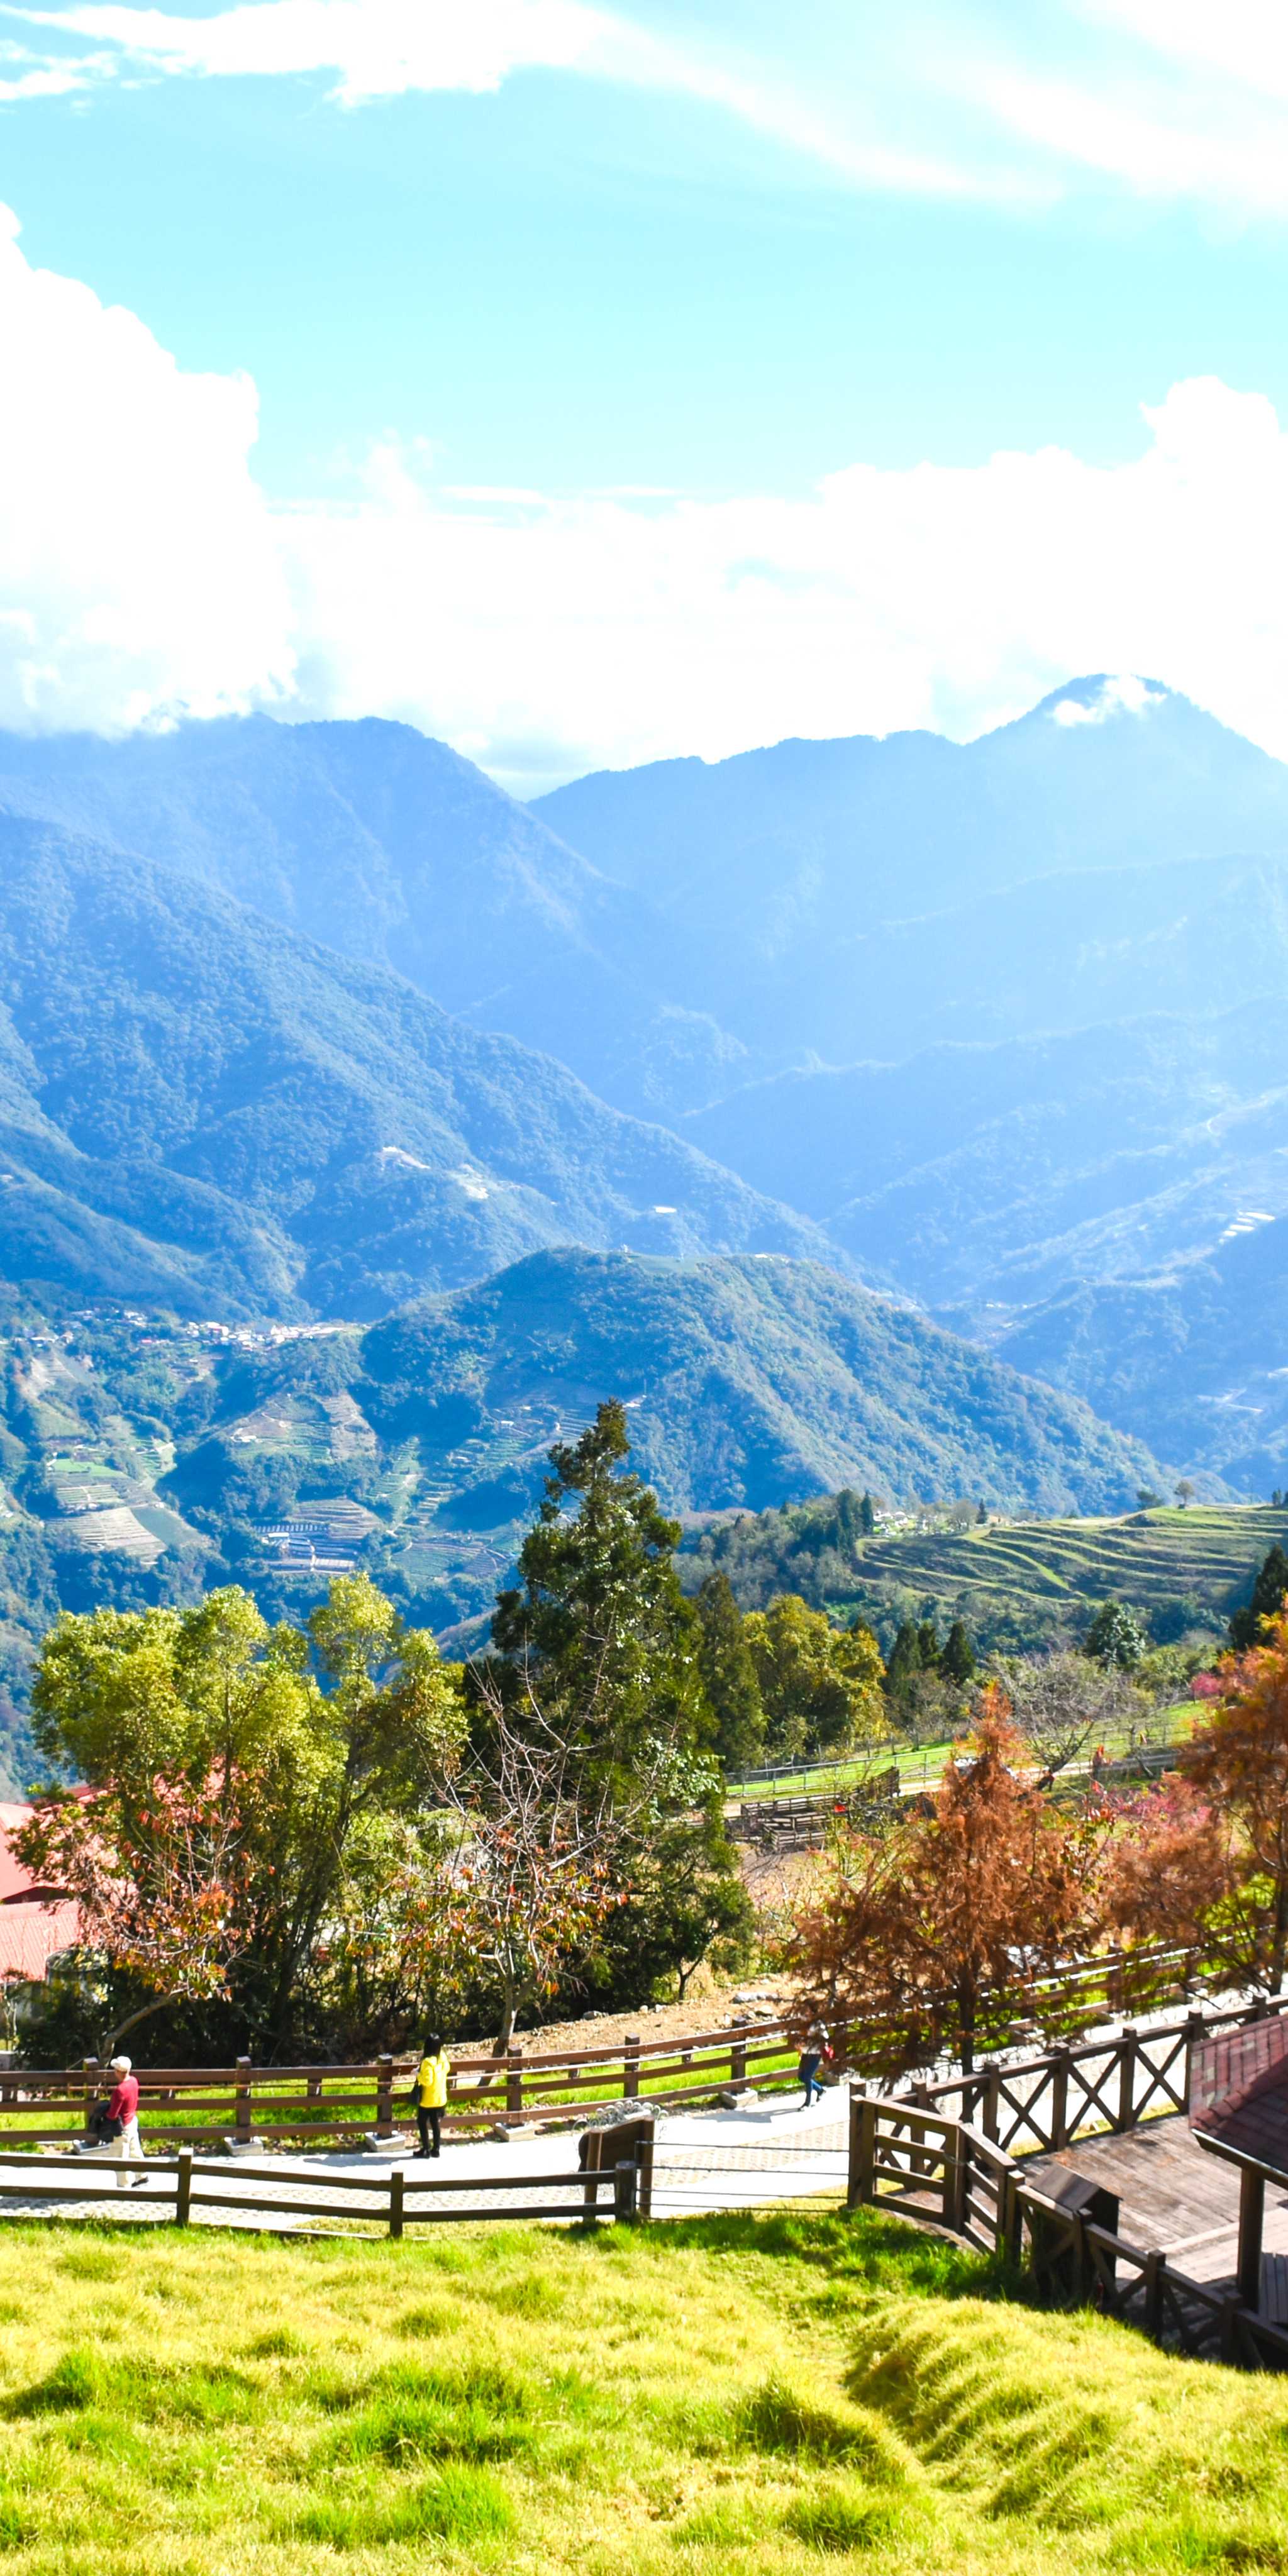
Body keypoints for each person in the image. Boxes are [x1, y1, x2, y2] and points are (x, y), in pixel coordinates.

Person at [99, 2054, 147, 2188]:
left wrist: (104, 2115)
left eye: (115, 2070)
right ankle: (142, 2175)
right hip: (132, 2121)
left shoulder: (120, 2091)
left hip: (122, 2128)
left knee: (120, 2156)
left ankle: (123, 2185)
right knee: (135, 2150)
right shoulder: (133, 2081)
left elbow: (113, 2115)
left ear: (119, 2072)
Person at [409, 2032, 451, 2158]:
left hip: (428, 2100)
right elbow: (447, 2068)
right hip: (440, 2098)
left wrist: (417, 2074)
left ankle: (426, 2149)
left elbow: (428, 2081)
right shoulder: (442, 2057)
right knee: (435, 2123)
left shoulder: (427, 2062)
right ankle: (436, 2149)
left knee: (422, 2122)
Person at [797, 2019, 830, 2110]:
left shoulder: (818, 2023)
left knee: (807, 2077)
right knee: (801, 2077)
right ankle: (820, 2090)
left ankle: (808, 2103)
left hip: (815, 2054)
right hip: (805, 2053)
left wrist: (812, 2037)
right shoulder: (803, 2019)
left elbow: (825, 2037)